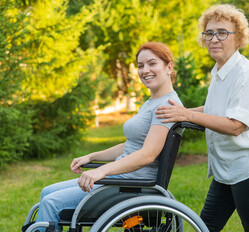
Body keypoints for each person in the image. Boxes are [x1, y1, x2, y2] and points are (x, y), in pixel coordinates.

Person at [30, 42, 183, 232]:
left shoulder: (166, 107)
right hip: (120, 180)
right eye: (141, 65)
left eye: (152, 63)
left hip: (129, 186)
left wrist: (101, 171)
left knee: (52, 203)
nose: (145, 70)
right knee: (46, 192)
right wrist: (92, 157)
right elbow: (130, 146)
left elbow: (147, 155)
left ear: (169, 67)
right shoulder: (152, 102)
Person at [155, 4, 249, 232]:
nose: (214, 39)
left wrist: (187, 114)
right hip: (227, 169)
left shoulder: (245, 73)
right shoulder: (220, 71)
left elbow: (235, 125)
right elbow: (214, 109)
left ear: (239, 37)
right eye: (209, 33)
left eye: (222, 33)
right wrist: (179, 114)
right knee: (206, 226)